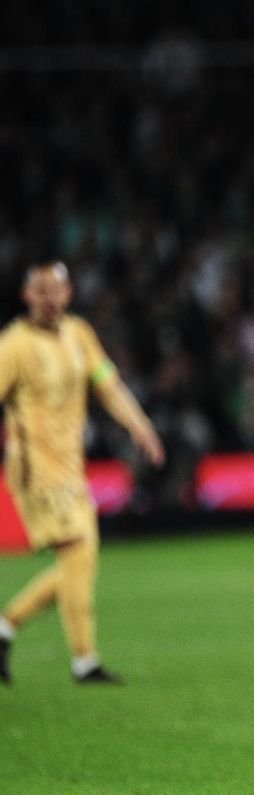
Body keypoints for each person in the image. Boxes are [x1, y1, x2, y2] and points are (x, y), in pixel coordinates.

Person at [0, 262, 165, 685]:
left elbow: (107, 383)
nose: (50, 298)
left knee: (81, 559)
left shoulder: (79, 334)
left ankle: (6, 627)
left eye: (57, 290)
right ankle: (84, 661)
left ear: (69, 294)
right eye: (41, 291)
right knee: (78, 550)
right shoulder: (13, 345)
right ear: (26, 296)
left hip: (71, 466)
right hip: (33, 467)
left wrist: (140, 426)